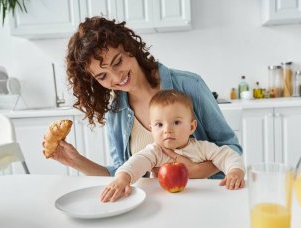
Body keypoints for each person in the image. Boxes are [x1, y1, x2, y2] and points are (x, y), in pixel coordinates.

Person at [45, 16, 242, 181]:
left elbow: (232, 148)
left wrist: (197, 171)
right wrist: (75, 161)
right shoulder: (116, 113)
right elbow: (120, 173)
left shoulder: (190, 85)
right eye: (103, 76)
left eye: (118, 62)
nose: (116, 77)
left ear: (129, 48)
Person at [101, 90, 245, 202]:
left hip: (199, 199)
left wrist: (235, 171)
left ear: (192, 126)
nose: (167, 130)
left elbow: (227, 155)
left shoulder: (201, 148)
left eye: (176, 122)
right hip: (164, 203)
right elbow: (137, 161)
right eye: (159, 124)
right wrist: (123, 178)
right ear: (152, 128)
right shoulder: (155, 151)